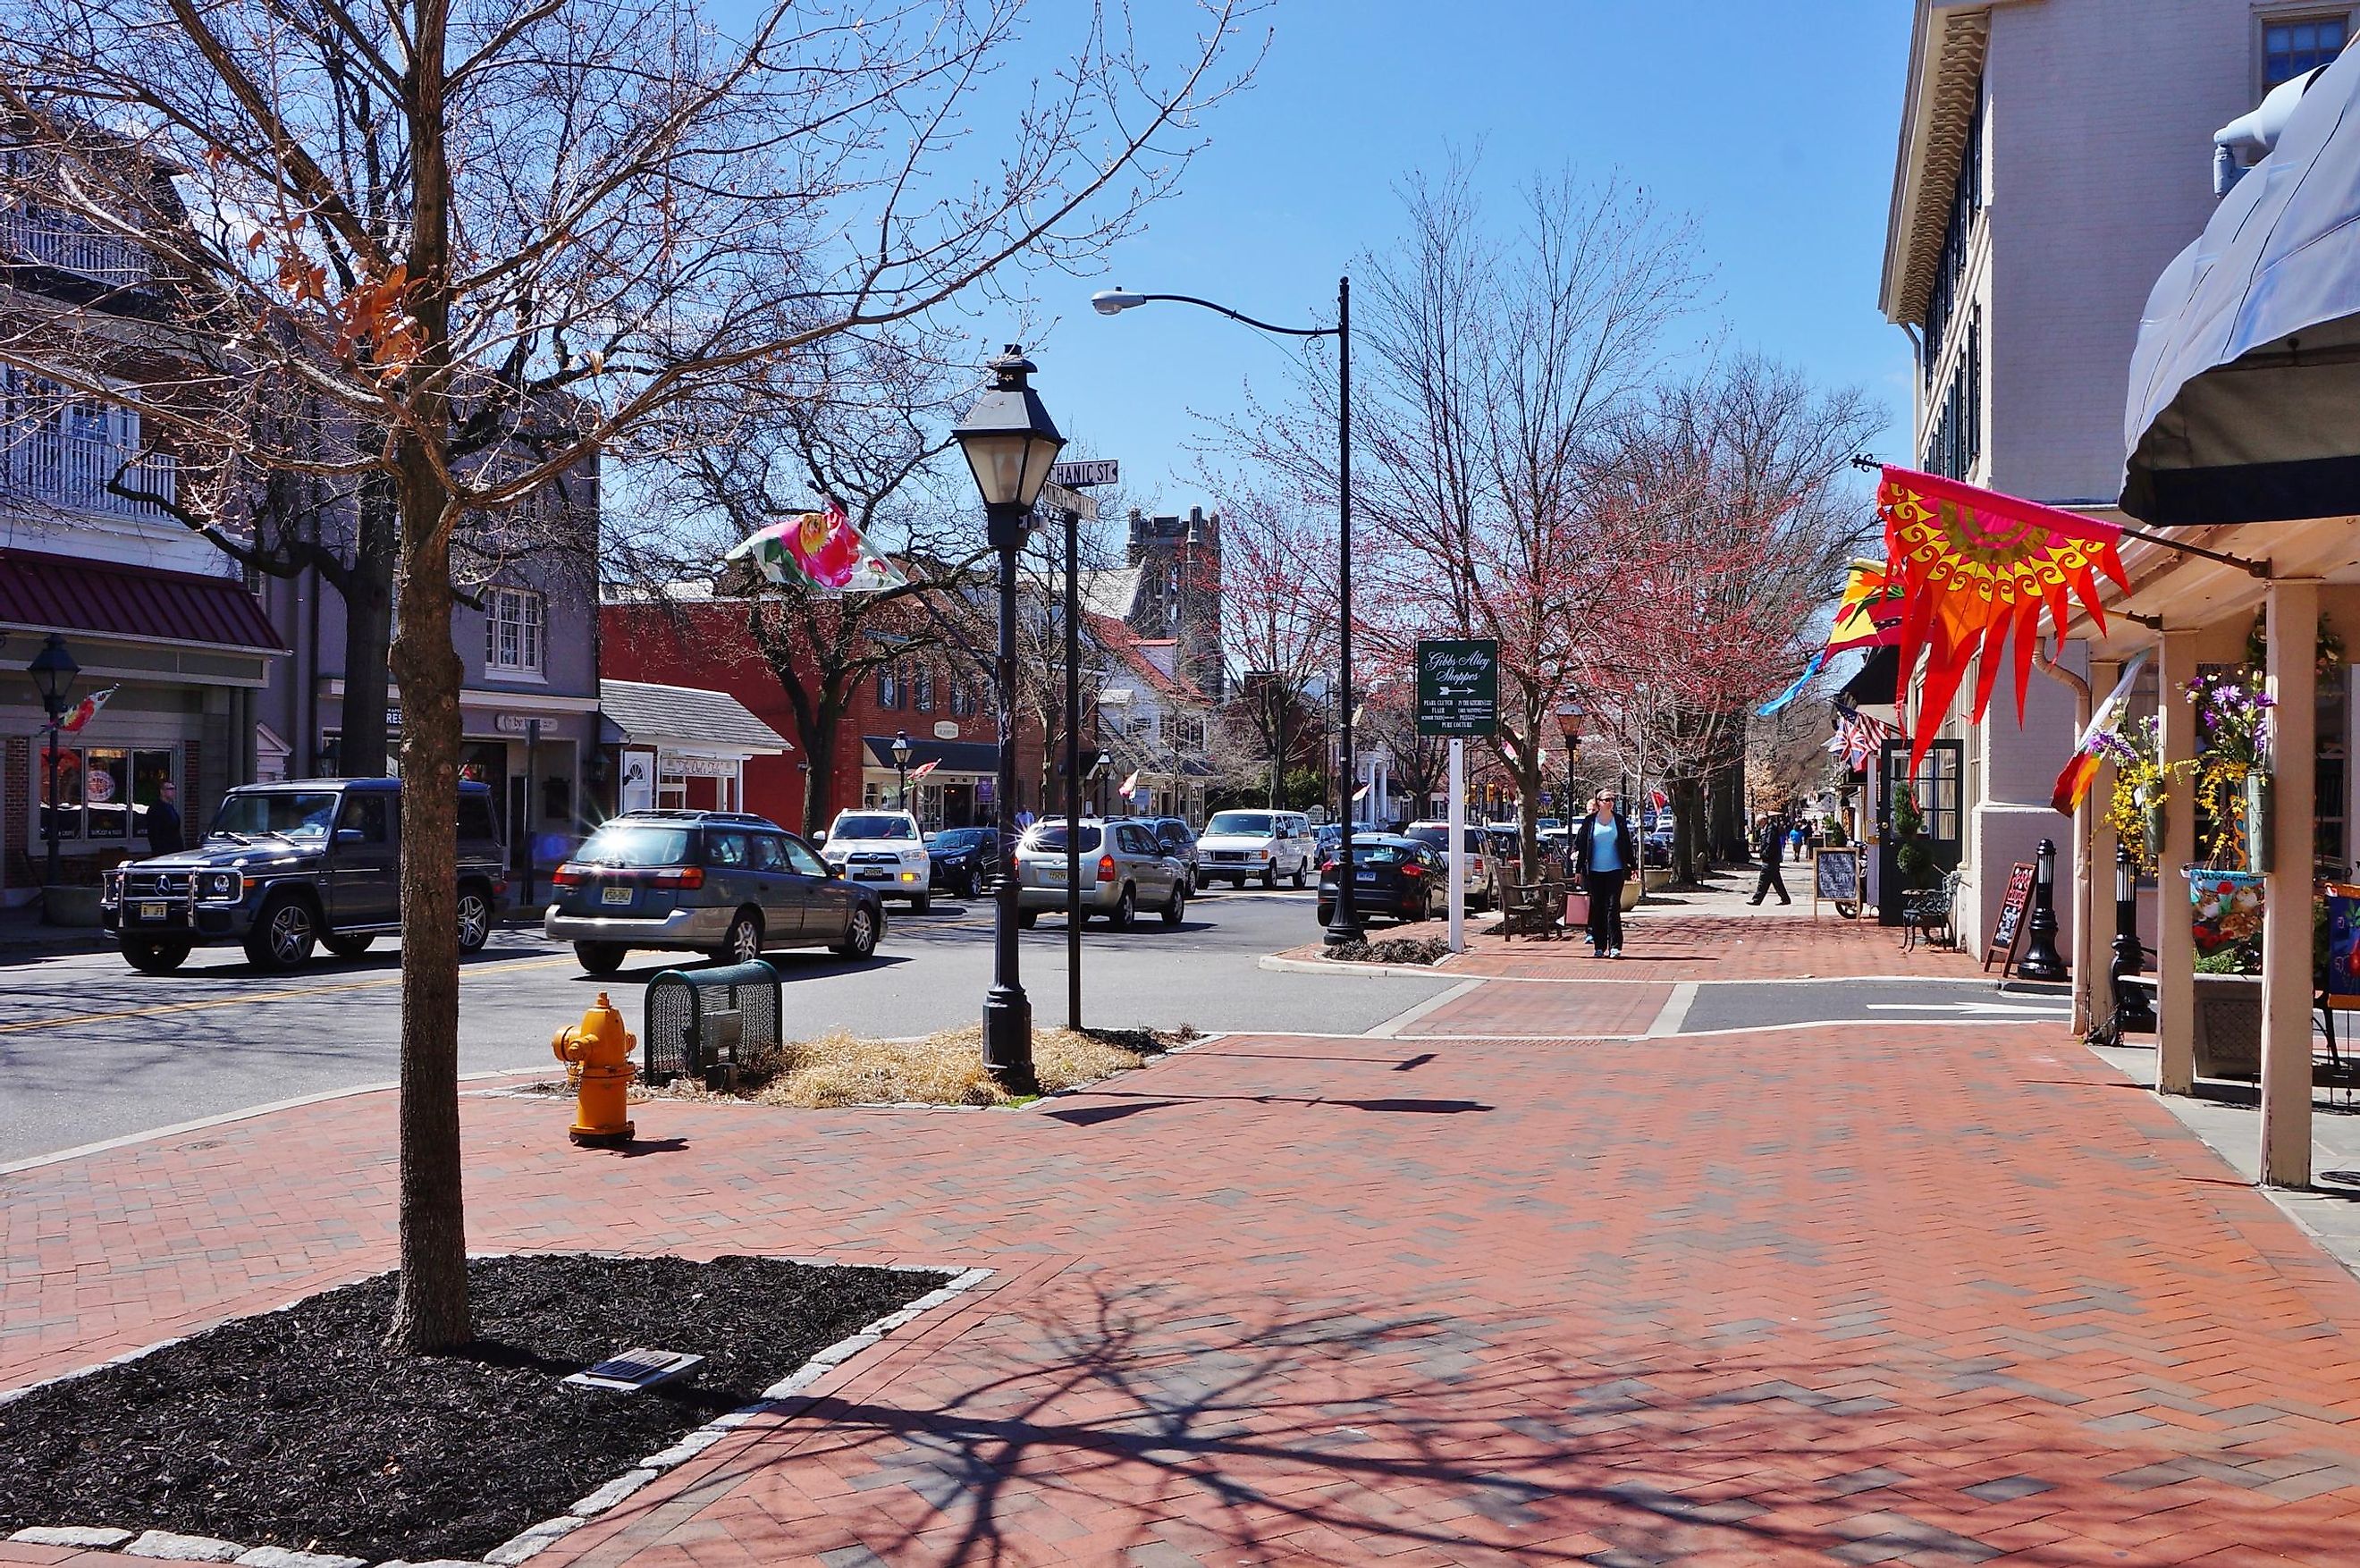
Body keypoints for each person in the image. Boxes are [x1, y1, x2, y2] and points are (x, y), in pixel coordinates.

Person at [1571, 788, 1638, 957]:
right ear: (1599, 802)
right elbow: (1583, 848)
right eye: (1607, 799)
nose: (1610, 802)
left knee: (1613, 907)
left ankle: (1615, 946)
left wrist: (1633, 866)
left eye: (1612, 799)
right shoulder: (1590, 821)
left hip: (1615, 870)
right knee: (1598, 908)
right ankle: (1599, 947)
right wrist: (1578, 870)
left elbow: (1627, 845)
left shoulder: (1619, 821)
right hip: (1594, 872)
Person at [1749, 813, 1791, 906]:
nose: (1759, 826)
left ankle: (1757, 899)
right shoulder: (1768, 829)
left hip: (1770, 859)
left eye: (1759, 823)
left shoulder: (1771, 829)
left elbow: (1769, 844)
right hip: (1772, 858)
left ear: (1764, 820)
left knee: (1763, 880)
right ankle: (1785, 898)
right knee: (1776, 880)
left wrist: (1764, 854)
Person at [145, 780, 184, 856]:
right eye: (170, 789)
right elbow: (154, 833)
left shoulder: (170, 807)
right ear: (162, 792)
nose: (173, 791)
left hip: (175, 851)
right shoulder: (156, 809)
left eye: (174, 789)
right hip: (163, 852)